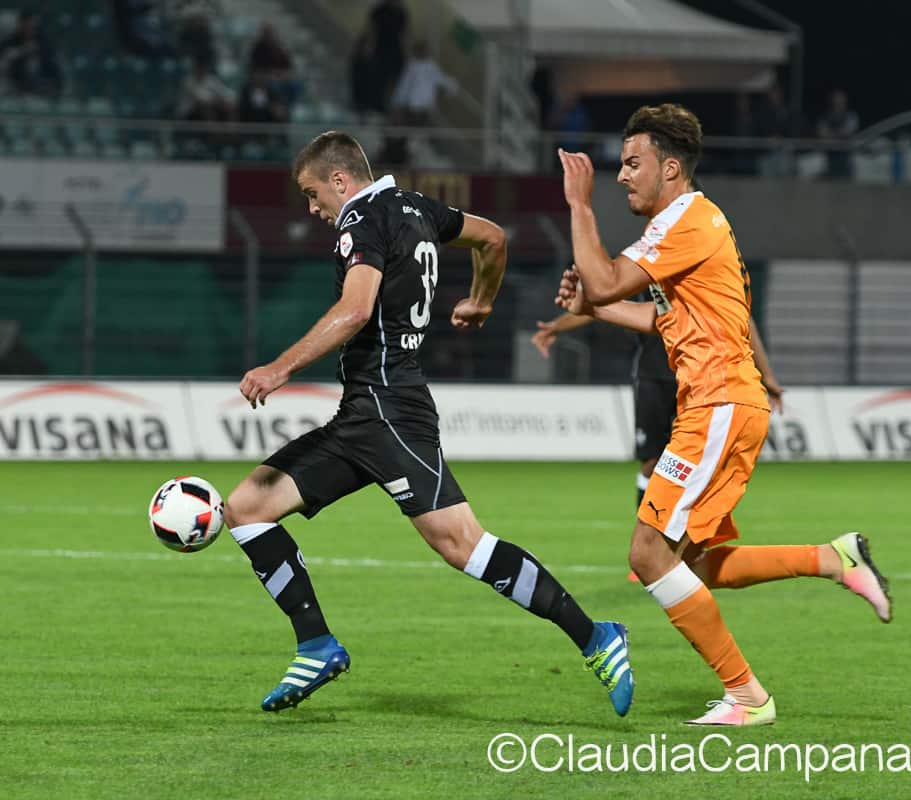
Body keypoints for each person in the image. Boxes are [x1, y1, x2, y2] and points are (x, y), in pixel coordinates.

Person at [223, 130, 635, 716]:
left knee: (463, 545)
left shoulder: (361, 218)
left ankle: (596, 637)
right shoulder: (417, 207)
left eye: (313, 194)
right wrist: (482, 299)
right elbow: (492, 238)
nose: (313, 209)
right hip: (363, 414)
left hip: (389, 410)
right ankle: (315, 644)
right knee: (246, 507)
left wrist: (279, 367)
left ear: (340, 180)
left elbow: (355, 309)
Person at [555, 103, 891, 726]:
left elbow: (602, 279)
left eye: (633, 163)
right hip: (719, 404)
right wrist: (595, 309)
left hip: (717, 405)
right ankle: (833, 559)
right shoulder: (692, 222)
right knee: (690, 563)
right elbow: (660, 319)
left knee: (648, 554)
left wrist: (579, 204)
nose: (621, 175)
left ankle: (747, 696)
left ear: (671, 167)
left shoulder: (685, 221)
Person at [533, 295, 783, 510]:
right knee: (652, 461)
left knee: (701, 460)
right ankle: (647, 533)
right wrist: (557, 326)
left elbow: (743, 319)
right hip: (653, 376)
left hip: (699, 379)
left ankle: (686, 528)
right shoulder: (646, 269)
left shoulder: (708, 274)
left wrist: (768, 376)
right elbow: (605, 304)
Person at [817, 89, 859, 179]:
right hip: (830, 156)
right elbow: (822, 132)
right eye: (836, 100)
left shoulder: (851, 116)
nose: (839, 102)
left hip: (845, 156)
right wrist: (835, 135)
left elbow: (848, 131)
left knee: (845, 179)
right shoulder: (825, 116)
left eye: (841, 100)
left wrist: (832, 135)